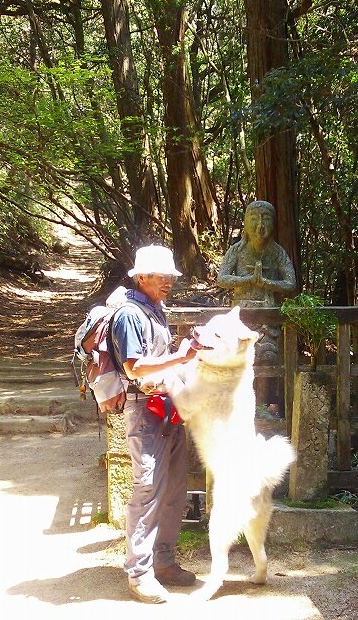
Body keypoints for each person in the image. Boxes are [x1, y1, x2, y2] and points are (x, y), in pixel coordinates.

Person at [110, 245, 197, 604]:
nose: (168, 283)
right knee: (148, 490)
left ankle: (163, 562)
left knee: (175, 489)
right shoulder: (129, 314)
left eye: (170, 277)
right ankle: (140, 573)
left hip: (167, 409)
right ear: (141, 276)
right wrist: (180, 356)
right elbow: (134, 368)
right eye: (162, 276)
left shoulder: (155, 310)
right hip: (145, 413)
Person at [217, 200, 296, 307]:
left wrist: (265, 283)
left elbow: (290, 284)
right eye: (254, 219)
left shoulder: (278, 253)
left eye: (266, 219)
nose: (260, 225)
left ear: (273, 224)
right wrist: (249, 280)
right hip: (241, 309)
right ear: (246, 223)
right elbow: (221, 279)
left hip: (270, 309)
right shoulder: (237, 250)